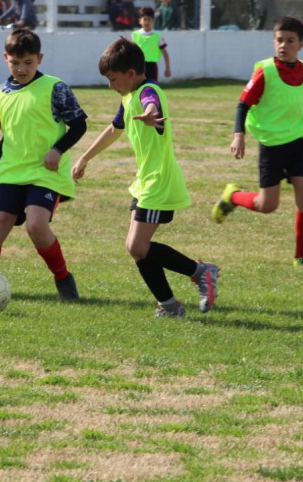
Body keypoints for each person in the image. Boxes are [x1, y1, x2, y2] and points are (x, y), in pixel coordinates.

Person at [73, 37, 219, 317]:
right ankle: (169, 305)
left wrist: (151, 113)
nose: (110, 85)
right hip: (145, 182)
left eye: (113, 79)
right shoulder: (129, 97)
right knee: (138, 249)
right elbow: (114, 129)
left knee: (136, 246)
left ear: (130, 74)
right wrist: (85, 157)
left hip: (159, 183)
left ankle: (201, 272)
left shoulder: (147, 91)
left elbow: (151, 103)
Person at [211, 16, 303, 267]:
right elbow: (243, 104)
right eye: (279, 40)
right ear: (273, 41)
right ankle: (233, 196)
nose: (283, 45)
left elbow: (300, 99)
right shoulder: (265, 71)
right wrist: (239, 135)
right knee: (267, 205)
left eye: (290, 41)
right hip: (271, 145)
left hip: (298, 143)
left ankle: (301, 256)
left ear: (301, 45)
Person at [0, 28, 87, 300]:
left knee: (36, 225)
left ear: (40, 58)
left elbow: (79, 124)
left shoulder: (55, 87)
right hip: (12, 170)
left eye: (28, 62)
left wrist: (57, 150)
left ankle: (63, 278)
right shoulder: (2, 91)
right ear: (5, 58)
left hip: (45, 172)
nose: (21, 69)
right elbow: (11, 130)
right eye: (15, 63)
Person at [132, 7, 171, 82]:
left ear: (153, 21)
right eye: (144, 19)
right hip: (139, 67)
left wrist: (168, 68)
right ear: (140, 21)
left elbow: (165, 52)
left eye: (149, 19)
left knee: (152, 88)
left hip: (152, 67)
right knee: (138, 88)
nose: (146, 22)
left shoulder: (157, 36)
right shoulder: (135, 35)